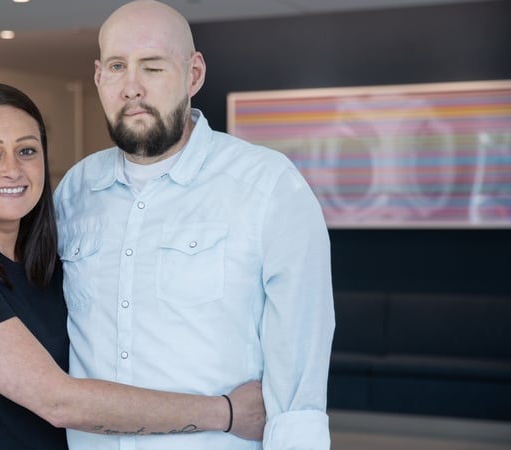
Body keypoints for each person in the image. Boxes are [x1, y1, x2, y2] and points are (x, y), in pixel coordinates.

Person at [0, 82, 266, 450]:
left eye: (27, 151)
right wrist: (226, 413)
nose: (12, 169)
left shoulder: (44, 265)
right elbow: (58, 401)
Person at [54, 1, 336, 449]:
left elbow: (299, 380)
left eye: (152, 67)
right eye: (117, 67)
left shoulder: (268, 186)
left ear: (194, 74)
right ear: (98, 77)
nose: (132, 87)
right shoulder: (74, 191)